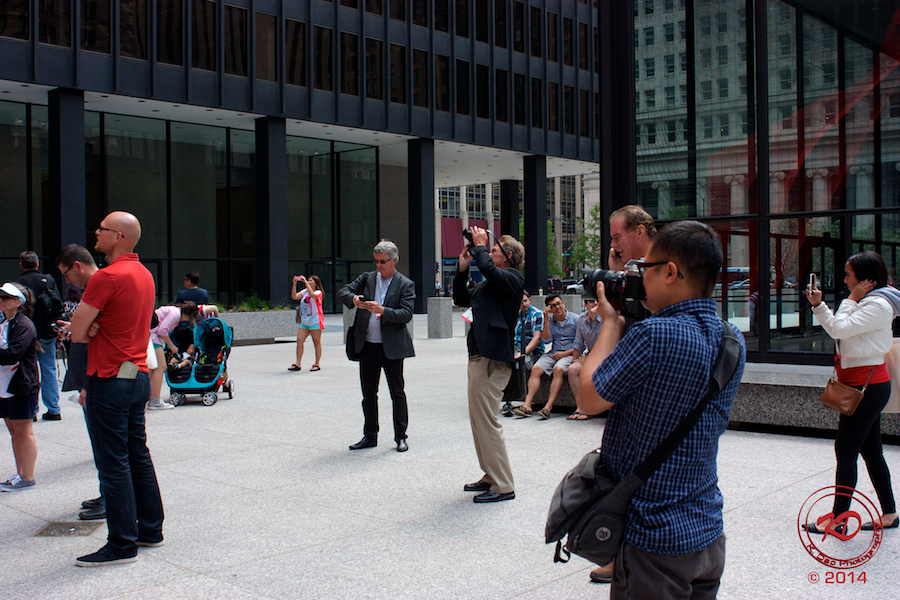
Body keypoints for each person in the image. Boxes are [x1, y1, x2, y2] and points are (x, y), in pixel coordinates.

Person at [576, 220, 746, 598]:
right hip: (706, 530)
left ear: (670, 272)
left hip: (654, 542)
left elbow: (588, 399)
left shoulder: (653, 335)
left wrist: (610, 323)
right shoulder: (731, 338)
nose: (639, 278)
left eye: (645, 268)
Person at [69, 211, 164, 567]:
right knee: (137, 454)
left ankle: (121, 545)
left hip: (109, 377)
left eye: (102, 229)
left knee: (113, 464)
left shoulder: (106, 276)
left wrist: (90, 326)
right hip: (136, 375)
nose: (96, 233)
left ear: (118, 237)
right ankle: (150, 530)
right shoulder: (144, 274)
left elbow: (78, 332)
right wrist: (93, 325)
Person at [804, 251, 898, 534]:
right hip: (862, 385)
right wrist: (819, 305)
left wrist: (850, 299)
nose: (845, 280)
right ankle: (890, 514)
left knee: (845, 451)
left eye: (848, 275)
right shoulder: (870, 302)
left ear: (864, 278)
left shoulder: (877, 304)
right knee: (870, 450)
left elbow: (839, 330)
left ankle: (839, 520)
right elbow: (838, 328)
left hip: (866, 387)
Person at [454, 226, 525, 503]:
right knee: (478, 421)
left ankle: (503, 485)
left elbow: (489, 270)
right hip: (479, 355)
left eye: (494, 250)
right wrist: (462, 268)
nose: (488, 253)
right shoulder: (490, 283)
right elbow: (461, 298)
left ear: (508, 256)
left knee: (487, 422)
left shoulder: (513, 278)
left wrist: (480, 246)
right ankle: (490, 474)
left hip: (493, 359)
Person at [338, 240, 415, 453]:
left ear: (394, 261)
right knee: (368, 394)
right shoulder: (367, 278)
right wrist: (354, 299)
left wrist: (383, 310)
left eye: (383, 262)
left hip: (391, 347)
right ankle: (370, 436)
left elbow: (406, 314)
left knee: (397, 393)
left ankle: (401, 436)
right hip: (367, 346)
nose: (379, 265)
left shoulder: (405, 284)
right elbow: (343, 291)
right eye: (376, 261)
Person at [55, 244, 106, 520]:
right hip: (92, 375)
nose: (67, 281)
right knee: (101, 443)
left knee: (106, 444)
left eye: (66, 274)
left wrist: (87, 385)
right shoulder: (95, 287)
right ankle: (107, 492)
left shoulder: (101, 285)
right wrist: (76, 327)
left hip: (99, 377)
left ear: (77, 266)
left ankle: (110, 497)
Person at [13, 251, 62, 421]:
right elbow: (57, 305)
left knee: (28, 370)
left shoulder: (16, 284)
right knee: (49, 369)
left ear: (21, 265)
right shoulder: (48, 280)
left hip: (24, 333)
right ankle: (53, 409)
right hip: (46, 332)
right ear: (37, 264)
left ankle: (32, 410)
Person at [0, 282, 39, 492]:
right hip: (5, 385)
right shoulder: (7, 322)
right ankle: (21, 473)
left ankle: (28, 477)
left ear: (18, 302)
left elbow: (13, 354)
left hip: (21, 385)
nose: (1, 301)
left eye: (5, 297)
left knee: (23, 432)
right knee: (14, 431)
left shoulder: (23, 325)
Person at [513, 295, 578, 419]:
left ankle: (548, 407)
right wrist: (546, 319)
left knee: (558, 369)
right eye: (553, 306)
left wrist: (565, 354)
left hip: (570, 353)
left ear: (563, 304)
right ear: (549, 309)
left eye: (558, 303)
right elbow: (547, 340)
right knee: (535, 369)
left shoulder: (576, 319)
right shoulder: (550, 320)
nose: (557, 307)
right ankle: (527, 405)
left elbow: (581, 344)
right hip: (554, 352)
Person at [501, 290, 545, 417]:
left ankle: (514, 400)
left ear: (530, 300)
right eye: (520, 303)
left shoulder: (537, 314)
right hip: (515, 348)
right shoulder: (515, 315)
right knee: (502, 362)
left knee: (518, 364)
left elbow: (537, 339)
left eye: (525, 301)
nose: (523, 305)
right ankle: (506, 401)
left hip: (532, 350)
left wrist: (522, 352)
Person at [566, 297, 601, 420]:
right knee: (572, 369)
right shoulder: (581, 319)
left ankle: (592, 408)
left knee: (592, 371)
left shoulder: (606, 318)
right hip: (590, 354)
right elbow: (578, 344)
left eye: (597, 300)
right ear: (585, 305)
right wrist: (574, 361)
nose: (595, 303)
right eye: (591, 301)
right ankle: (581, 406)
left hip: (605, 355)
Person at [289, 275, 325, 372]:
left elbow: (313, 295)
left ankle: (317, 364)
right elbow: (294, 296)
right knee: (299, 340)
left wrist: (305, 282)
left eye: (311, 280)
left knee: (316, 342)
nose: (309, 282)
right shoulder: (305, 291)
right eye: (308, 280)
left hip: (315, 321)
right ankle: (298, 363)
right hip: (305, 321)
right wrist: (294, 283)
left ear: (316, 283)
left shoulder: (318, 292)